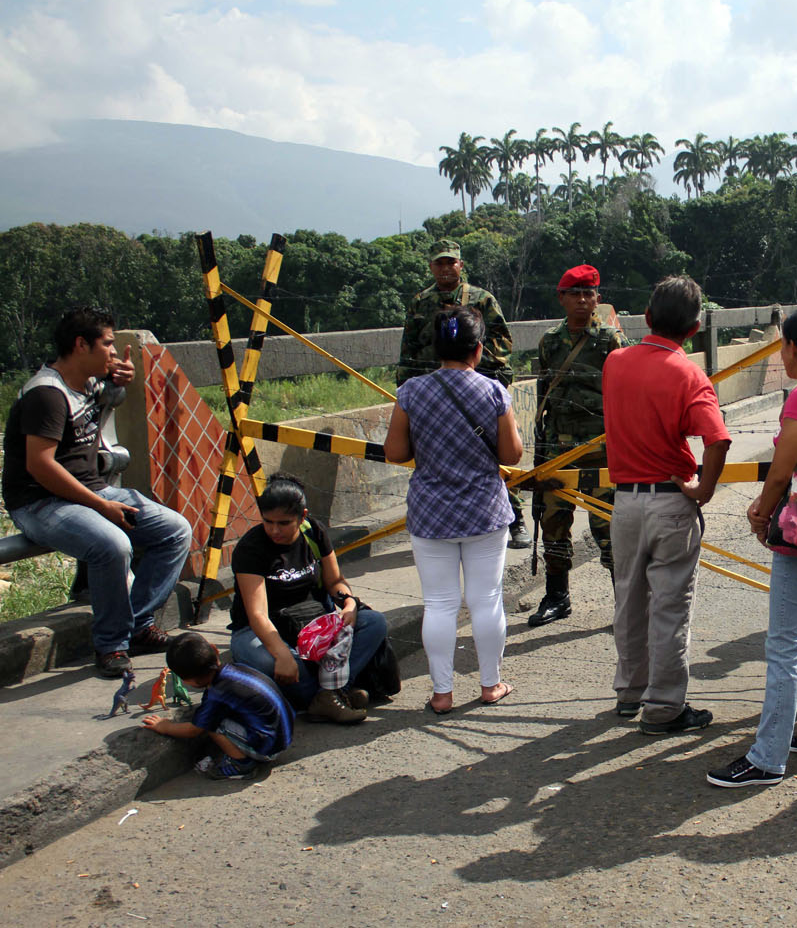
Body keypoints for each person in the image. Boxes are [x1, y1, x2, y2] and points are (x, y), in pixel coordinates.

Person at [706, 306, 797, 787]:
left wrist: (760, 511)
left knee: (784, 642)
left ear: (793, 347)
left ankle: (768, 756)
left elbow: (781, 467)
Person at [2, 308, 193, 677]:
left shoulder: (88, 380)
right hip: (41, 501)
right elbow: (40, 465)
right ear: (80, 344)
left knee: (175, 530)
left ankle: (137, 625)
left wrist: (121, 376)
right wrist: (101, 505)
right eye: (107, 343)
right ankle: (111, 645)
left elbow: (114, 385)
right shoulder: (46, 394)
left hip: (90, 490)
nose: (112, 350)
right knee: (112, 545)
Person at [603, 276, 731, 735]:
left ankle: (628, 692)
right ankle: (664, 708)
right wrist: (705, 489)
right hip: (670, 500)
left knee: (628, 599)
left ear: (649, 318)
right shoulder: (689, 374)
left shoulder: (615, 362)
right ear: (695, 328)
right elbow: (716, 440)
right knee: (670, 606)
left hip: (625, 502)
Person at [386, 307, 523, 714]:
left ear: (436, 348)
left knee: (440, 604)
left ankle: (442, 693)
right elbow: (512, 454)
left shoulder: (411, 391)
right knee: (486, 600)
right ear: (478, 350)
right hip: (484, 511)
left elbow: (395, 452)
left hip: (431, 513)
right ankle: (490, 684)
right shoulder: (495, 392)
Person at [398, 239, 528, 550]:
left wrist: (473, 367)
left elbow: (503, 341)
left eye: (450, 262)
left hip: (475, 389)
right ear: (431, 267)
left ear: (460, 265)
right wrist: (404, 387)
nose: (445, 268)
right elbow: (410, 347)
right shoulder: (420, 302)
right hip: (432, 395)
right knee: (435, 460)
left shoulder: (481, 299)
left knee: (493, 455)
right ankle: (436, 523)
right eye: (439, 263)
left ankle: (515, 518)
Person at [227, 473, 387, 723]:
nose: (274, 530)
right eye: (268, 522)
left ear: (302, 517)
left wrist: (349, 603)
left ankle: (324, 696)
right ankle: (334, 694)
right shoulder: (251, 548)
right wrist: (281, 654)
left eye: (283, 523)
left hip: (312, 624)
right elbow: (257, 614)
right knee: (266, 658)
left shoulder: (314, 532)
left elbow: (335, 582)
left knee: (374, 622)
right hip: (264, 630)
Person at [529, 264, 629, 627]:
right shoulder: (549, 343)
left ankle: (626, 601)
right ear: (562, 298)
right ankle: (557, 596)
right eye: (576, 294)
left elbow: (626, 394)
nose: (584, 300)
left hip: (602, 449)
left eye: (590, 294)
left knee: (609, 525)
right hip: (558, 451)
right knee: (554, 522)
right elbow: (544, 396)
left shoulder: (610, 341)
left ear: (597, 298)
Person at [142, 633, 294, 780]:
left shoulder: (216, 694)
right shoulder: (237, 668)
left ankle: (241, 765)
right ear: (215, 650)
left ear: (187, 681)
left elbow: (194, 730)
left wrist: (165, 726)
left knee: (212, 726)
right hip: (284, 733)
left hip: (270, 748)